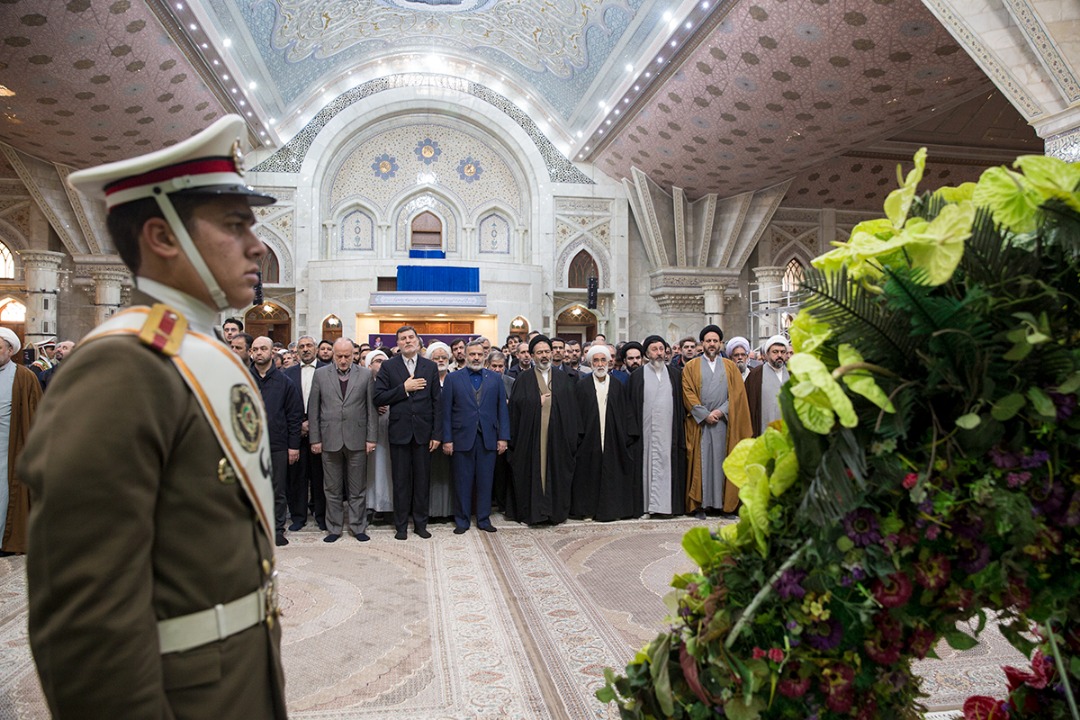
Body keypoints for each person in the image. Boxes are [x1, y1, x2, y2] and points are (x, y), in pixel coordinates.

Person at [19, 115, 286, 716]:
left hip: (236, 680)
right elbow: (89, 625)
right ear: (163, 237)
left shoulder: (203, 351)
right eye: (234, 224)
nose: (258, 246)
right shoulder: (123, 366)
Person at [373, 325, 441, 540]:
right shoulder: (388, 367)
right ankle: (401, 526)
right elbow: (379, 397)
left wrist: (437, 434)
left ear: (418, 341)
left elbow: (437, 403)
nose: (408, 341)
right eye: (403, 338)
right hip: (399, 433)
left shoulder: (430, 367)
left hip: (424, 433)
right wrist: (404, 389)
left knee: (422, 481)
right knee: (401, 482)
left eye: (411, 337)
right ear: (398, 344)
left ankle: (421, 524)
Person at [308, 338, 378, 543]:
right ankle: (334, 528)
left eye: (347, 356)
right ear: (333, 355)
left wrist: (371, 438)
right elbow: (314, 409)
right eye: (339, 356)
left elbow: (371, 409)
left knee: (357, 488)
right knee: (331, 488)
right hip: (329, 439)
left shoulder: (365, 374)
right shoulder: (320, 375)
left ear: (354, 354)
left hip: (357, 439)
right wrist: (315, 439)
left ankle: (358, 527)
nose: (343, 360)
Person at [506, 335, 580, 525]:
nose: (545, 356)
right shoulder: (523, 379)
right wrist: (535, 404)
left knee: (555, 474)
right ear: (532, 355)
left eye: (547, 351)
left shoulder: (564, 378)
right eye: (540, 352)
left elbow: (572, 411)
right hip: (531, 440)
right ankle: (533, 513)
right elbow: (515, 409)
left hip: (557, 441)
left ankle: (553, 513)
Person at [683, 325, 753, 516]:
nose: (712, 344)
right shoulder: (691, 366)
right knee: (702, 463)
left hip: (724, 424)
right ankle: (701, 505)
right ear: (702, 344)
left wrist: (720, 412)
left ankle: (724, 505)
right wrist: (705, 414)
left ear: (721, 344)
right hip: (701, 424)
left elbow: (737, 395)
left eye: (715, 341)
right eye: (708, 341)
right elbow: (688, 393)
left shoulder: (731, 367)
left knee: (724, 462)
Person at [441, 339, 509, 533]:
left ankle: (483, 519)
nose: (476, 357)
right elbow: (445, 412)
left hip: (488, 438)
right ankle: (462, 520)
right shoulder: (453, 379)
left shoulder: (495, 379)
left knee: (486, 481)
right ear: (464, 355)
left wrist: (503, 437)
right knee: (462, 481)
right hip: (461, 438)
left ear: (484, 356)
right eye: (472, 354)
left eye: (479, 354)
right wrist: (447, 439)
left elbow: (502, 410)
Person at [570, 344, 637, 521]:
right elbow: (576, 414)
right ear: (590, 363)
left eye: (603, 360)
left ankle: (611, 510)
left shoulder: (617, 385)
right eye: (596, 360)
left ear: (609, 362)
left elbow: (626, 414)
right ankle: (588, 509)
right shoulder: (582, 386)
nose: (600, 364)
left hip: (613, 440)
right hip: (588, 441)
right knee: (588, 474)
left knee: (611, 472)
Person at [249, 336, 303, 546]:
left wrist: (293, 446)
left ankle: (277, 528)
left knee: (277, 489)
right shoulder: (243, 378)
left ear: (273, 353)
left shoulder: (285, 382)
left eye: (264, 348)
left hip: (278, 444)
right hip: (250, 445)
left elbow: (294, 416)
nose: (259, 352)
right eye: (255, 349)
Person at [628, 335, 686, 518]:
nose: (659, 353)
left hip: (670, 433)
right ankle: (647, 506)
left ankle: (667, 507)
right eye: (655, 349)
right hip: (645, 435)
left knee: (668, 465)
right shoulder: (637, 376)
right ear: (646, 353)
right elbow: (630, 407)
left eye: (662, 349)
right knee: (647, 468)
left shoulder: (676, 374)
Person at [0, 327, 42, 557]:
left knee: (6, 492)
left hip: (11, 445)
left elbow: (37, 413)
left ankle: (5, 542)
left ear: (10, 350)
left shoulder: (24, 377)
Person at [426, 341, 455, 519]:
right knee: (431, 475)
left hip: (452, 434)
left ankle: (449, 511)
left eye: (443, 357)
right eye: (436, 358)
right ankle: (431, 512)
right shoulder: (425, 379)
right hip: (430, 435)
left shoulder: (455, 377)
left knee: (450, 475)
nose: (440, 360)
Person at [364, 350, 393, 519]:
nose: (381, 364)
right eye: (377, 361)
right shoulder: (364, 382)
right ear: (369, 365)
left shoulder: (393, 381)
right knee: (371, 470)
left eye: (384, 361)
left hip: (389, 430)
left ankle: (388, 506)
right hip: (369, 433)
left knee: (388, 469)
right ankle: (371, 505)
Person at [744, 335, 791, 436]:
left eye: (782, 352)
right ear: (767, 354)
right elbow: (747, 405)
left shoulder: (792, 374)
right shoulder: (756, 375)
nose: (779, 355)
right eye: (775, 352)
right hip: (763, 431)